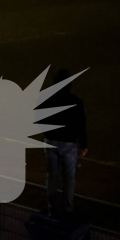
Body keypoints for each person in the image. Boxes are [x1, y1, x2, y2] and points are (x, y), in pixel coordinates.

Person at [41, 69, 87, 214]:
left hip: (50, 142)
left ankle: (52, 207)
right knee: (68, 177)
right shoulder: (76, 101)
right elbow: (81, 124)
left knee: (52, 176)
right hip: (69, 144)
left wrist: (48, 132)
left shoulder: (46, 99)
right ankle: (67, 207)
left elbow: (38, 118)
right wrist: (83, 145)